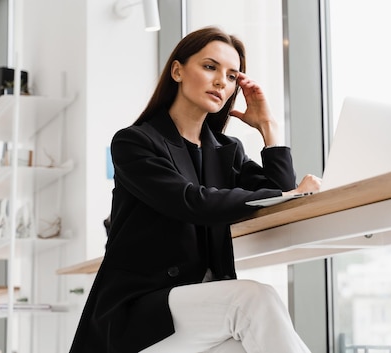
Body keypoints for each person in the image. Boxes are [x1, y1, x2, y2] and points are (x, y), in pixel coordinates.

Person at [69, 26, 321, 353]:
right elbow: (190, 201)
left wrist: (269, 128)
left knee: (250, 336)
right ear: (177, 70)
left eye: (232, 76)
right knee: (254, 299)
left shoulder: (226, 151)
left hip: (199, 310)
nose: (221, 82)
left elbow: (282, 196)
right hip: (142, 311)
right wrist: (287, 196)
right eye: (210, 67)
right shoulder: (135, 142)